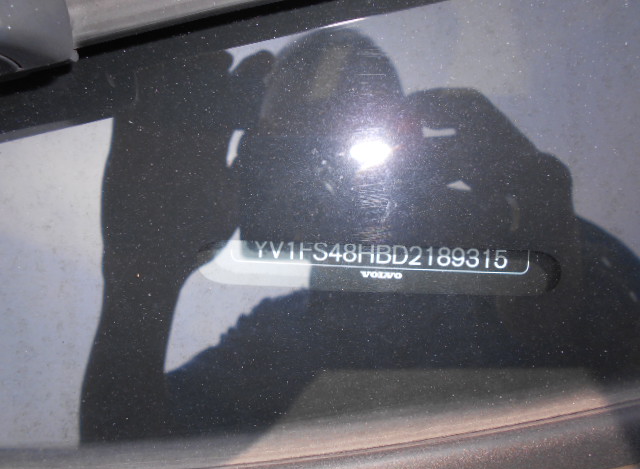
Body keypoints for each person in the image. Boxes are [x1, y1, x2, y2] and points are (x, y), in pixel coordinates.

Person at [81, 29, 640, 442]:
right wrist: (142, 273)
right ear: (249, 168)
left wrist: (547, 264)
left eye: (353, 150)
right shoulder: (276, 341)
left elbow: (124, 449)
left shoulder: (529, 241)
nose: (327, 182)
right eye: (293, 156)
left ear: (411, 144)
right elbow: (127, 451)